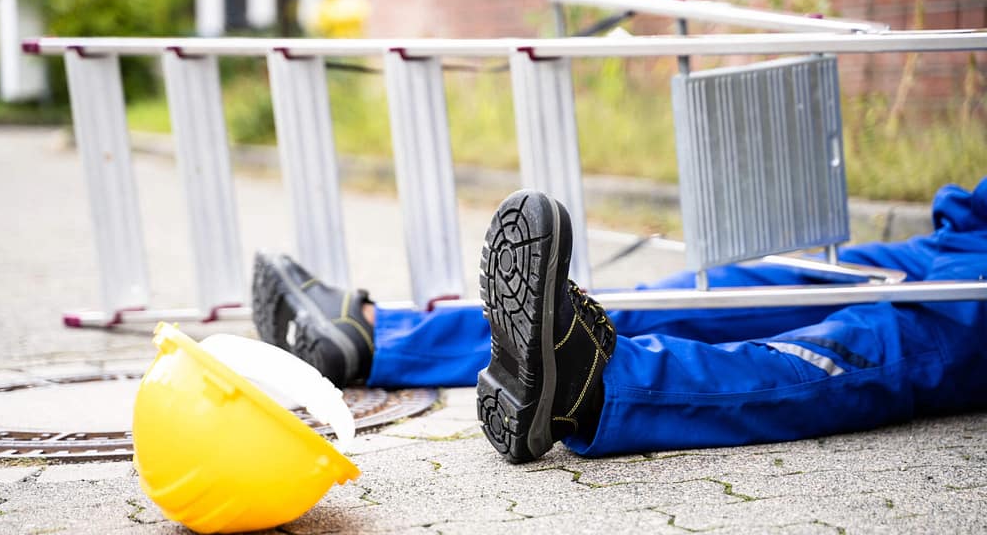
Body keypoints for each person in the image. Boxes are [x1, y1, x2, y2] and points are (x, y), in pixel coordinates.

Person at [251, 177, 987, 464]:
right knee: (706, 293)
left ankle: (595, 388)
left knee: (860, 349)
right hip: (959, 240)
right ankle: (379, 339)